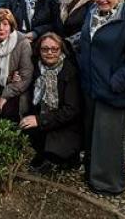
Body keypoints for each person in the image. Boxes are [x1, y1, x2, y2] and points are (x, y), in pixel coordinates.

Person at [76, 0, 125, 196]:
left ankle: (110, 183)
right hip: (91, 86)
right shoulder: (91, 12)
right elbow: (85, 42)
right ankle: (92, 175)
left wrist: (115, 83)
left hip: (115, 89)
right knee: (92, 134)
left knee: (111, 138)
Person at [20, 32, 83, 173]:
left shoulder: (69, 71)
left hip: (65, 122)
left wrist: (40, 120)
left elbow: (71, 110)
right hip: (43, 114)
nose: (50, 53)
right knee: (27, 128)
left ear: (61, 50)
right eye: (45, 49)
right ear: (39, 50)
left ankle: (68, 157)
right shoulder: (36, 68)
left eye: (54, 49)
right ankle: (45, 153)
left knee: (58, 153)